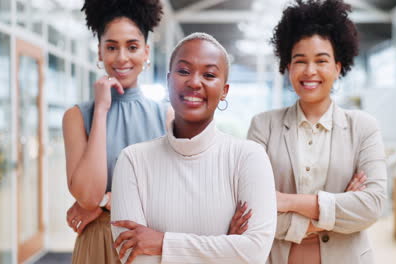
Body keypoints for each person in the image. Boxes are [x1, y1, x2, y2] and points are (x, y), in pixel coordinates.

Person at [110, 32, 277, 264]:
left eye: (209, 75)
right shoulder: (133, 160)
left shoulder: (248, 157)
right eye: (184, 71)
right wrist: (225, 245)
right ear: (168, 80)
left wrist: (162, 243)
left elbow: (255, 251)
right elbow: (134, 257)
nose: (194, 82)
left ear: (224, 91)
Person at [247, 0, 387, 263]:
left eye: (321, 60)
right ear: (288, 67)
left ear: (337, 66)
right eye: (300, 61)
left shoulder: (363, 127)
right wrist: (333, 215)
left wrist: (286, 201)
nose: (310, 71)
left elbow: (372, 206)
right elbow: (253, 212)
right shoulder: (262, 126)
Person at [62, 0, 168, 263]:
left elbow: (168, 193)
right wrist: (100, 111)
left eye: (132, 47)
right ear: (99, 52)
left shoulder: (166, 116)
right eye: (111, 47)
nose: (122, 57)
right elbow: (87, 195)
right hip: (97, 244)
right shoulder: (77, 116)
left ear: (146, 51)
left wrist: (104, 202)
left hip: (149, 240)